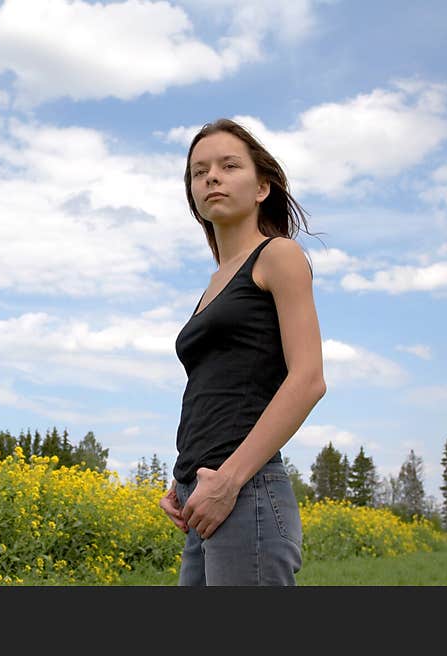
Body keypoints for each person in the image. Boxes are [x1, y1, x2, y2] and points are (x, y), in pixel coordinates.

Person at [158, 118, 326, 586]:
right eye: (199, 171)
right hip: (204, 494)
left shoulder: (278, 255)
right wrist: (185, 475)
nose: (211, 176)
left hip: (245, 491)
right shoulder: (216, 282)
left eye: (229, 166)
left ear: (261, 187)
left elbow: (309, 379)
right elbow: (220, 387)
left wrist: (228, 479)